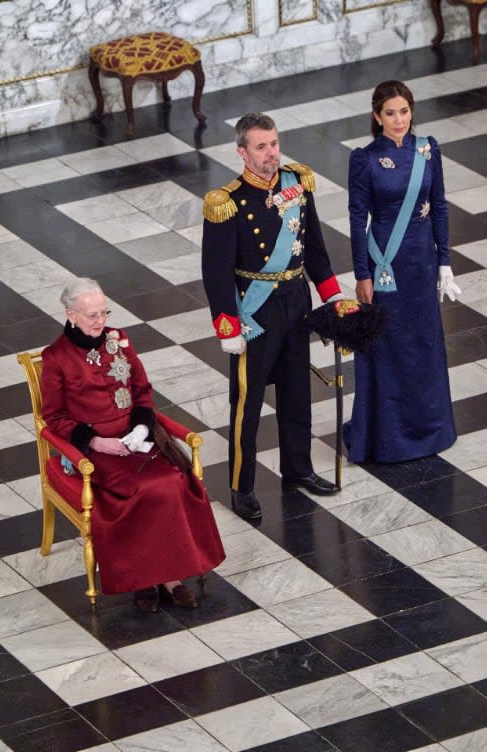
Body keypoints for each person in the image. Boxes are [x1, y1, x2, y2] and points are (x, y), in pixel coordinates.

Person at [41, 278, 225, 612]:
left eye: (103, 312)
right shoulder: (56, 357)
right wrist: (96, 441)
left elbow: (142, 389)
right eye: (92, 315)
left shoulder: (119, 341)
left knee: (173, 480)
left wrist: (141, 428)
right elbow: (53, 418)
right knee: (138, 490)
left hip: (136, 440)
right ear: (71, 314)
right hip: (97, 450)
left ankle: (170, 576)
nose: (100, 321)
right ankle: (142, 579)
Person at [202, 112, 343, 521]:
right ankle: (241, 486)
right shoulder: (227, 203)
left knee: (297, 391)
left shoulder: (297, 183)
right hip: (255, 309)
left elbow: (313, 246)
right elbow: (215, 271)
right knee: (247, 402)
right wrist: (227, 325)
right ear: (242, 152)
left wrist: (332, 296)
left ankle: (298, 468)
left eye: (275, 144)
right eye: (261, 147)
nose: (271, 154)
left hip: (296, 300)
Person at [343, 80, 460, 464]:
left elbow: (439, 206)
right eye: (390, 113)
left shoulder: (428, 149)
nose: (399, 120)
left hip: (421, 263)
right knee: (389, 348)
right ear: (377, 116)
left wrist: (444, 260)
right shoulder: (365, 159)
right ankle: (388, 438)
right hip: (385, 265)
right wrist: (362, 274)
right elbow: (357, 219)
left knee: (424, 345)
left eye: (404, 111)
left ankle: (430, 430)